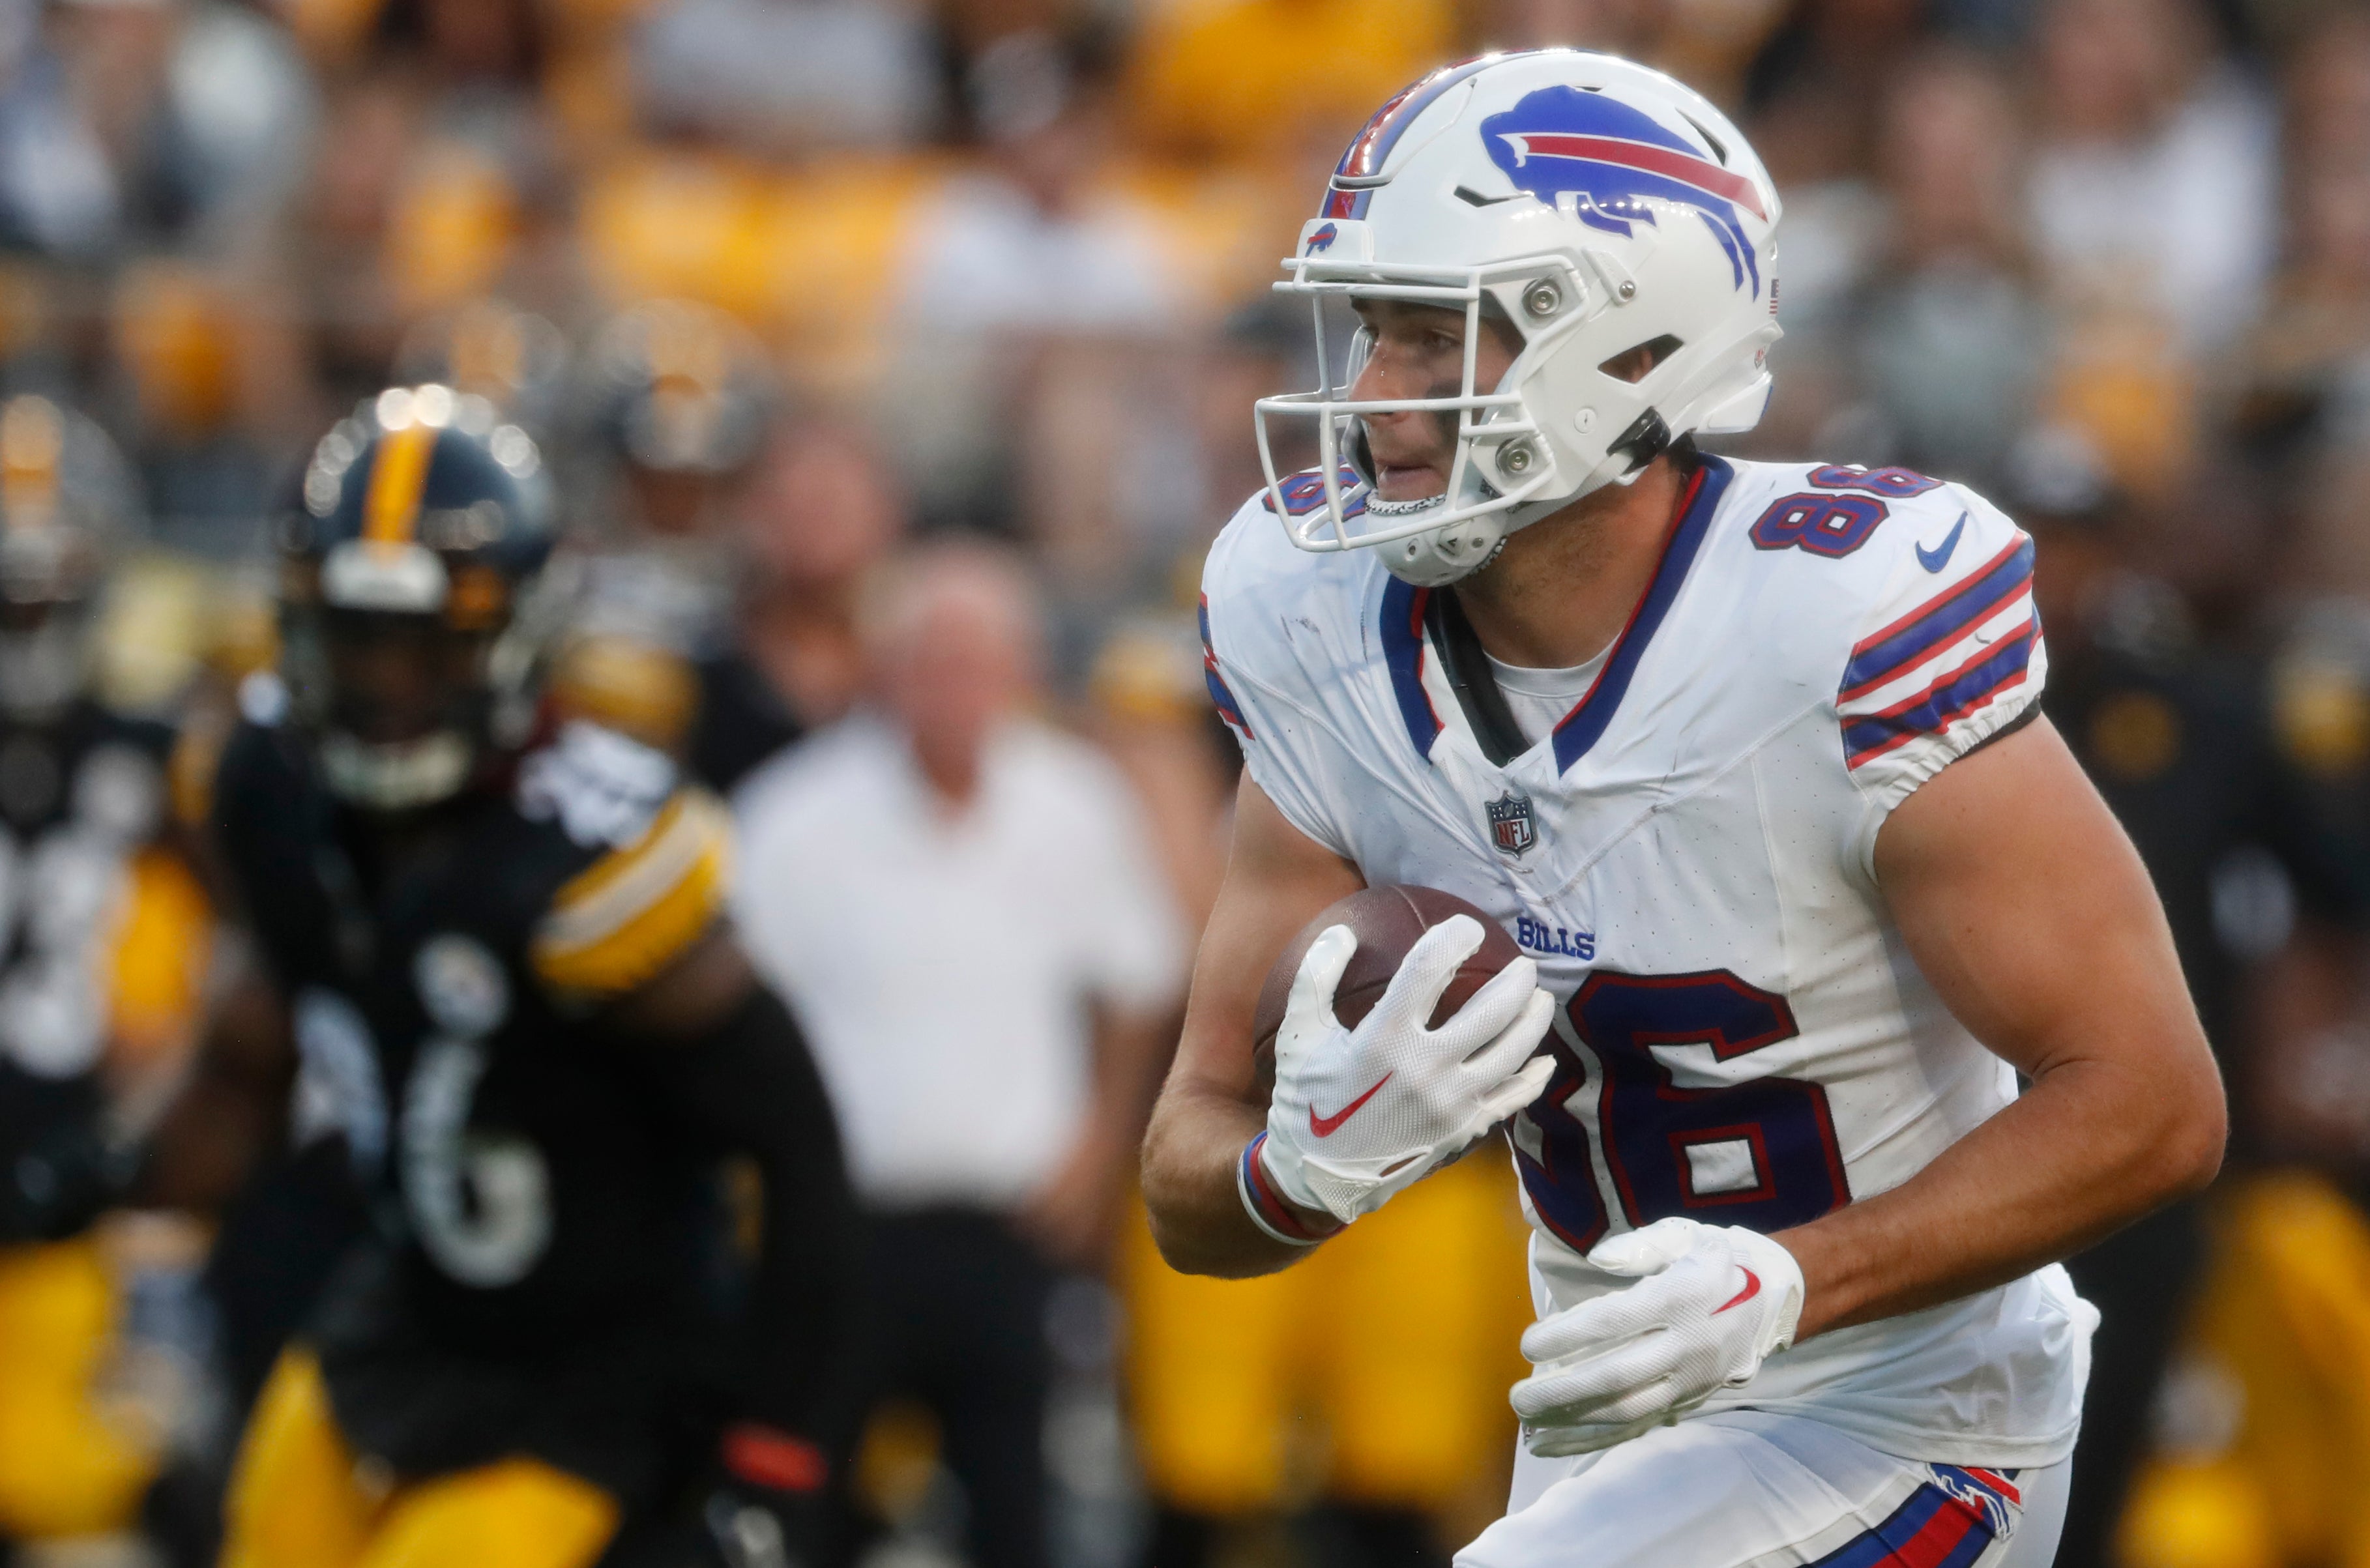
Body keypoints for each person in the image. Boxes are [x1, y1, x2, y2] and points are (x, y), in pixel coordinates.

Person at [1141, 50, 2227, 1568]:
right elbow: (1187, 1176)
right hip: (1608, 1411)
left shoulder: (1832, 618)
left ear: (1632, 348)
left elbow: (2155, 1107)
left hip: (1904, 1412)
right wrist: (1297, 1171)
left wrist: (1789, 1283)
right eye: (1373, 331)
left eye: (1439, 335)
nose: (1378, 398)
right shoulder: (1311, 615)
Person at [143, 385, 862, 1568]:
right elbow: (262, 1035)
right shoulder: (263, 784)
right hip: (408, 1311)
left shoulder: (585, 861)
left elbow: (802, 1156)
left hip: (597, 1370)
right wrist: (115, 1183)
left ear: (519, 634)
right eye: (356, 640)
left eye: (431, 648)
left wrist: (774, 1459)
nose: (385, 687)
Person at [732, 542, 1186, 1568]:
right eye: (931, 656)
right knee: (804, 1508)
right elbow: (738, 1020)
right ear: (883, 665)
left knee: (1015, 1513)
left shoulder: (1074, 802)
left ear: (1021, 671)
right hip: (844, 1231)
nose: (955, 683)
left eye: (979, 658)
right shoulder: (793, 817)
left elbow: (1138, 982)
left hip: (1010, 1229)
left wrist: (1097, 1150)